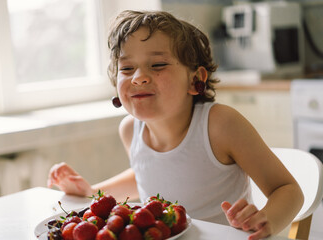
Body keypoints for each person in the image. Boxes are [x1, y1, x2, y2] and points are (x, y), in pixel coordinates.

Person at [47, 10, 303, 240]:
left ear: (195, 80)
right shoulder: (129, 129)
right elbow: (151, 174)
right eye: (126, 68)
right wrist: (93, 190)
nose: (138, 78)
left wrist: (267, 219)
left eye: (157, 65)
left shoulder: (221, 125)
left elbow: (288, 189)